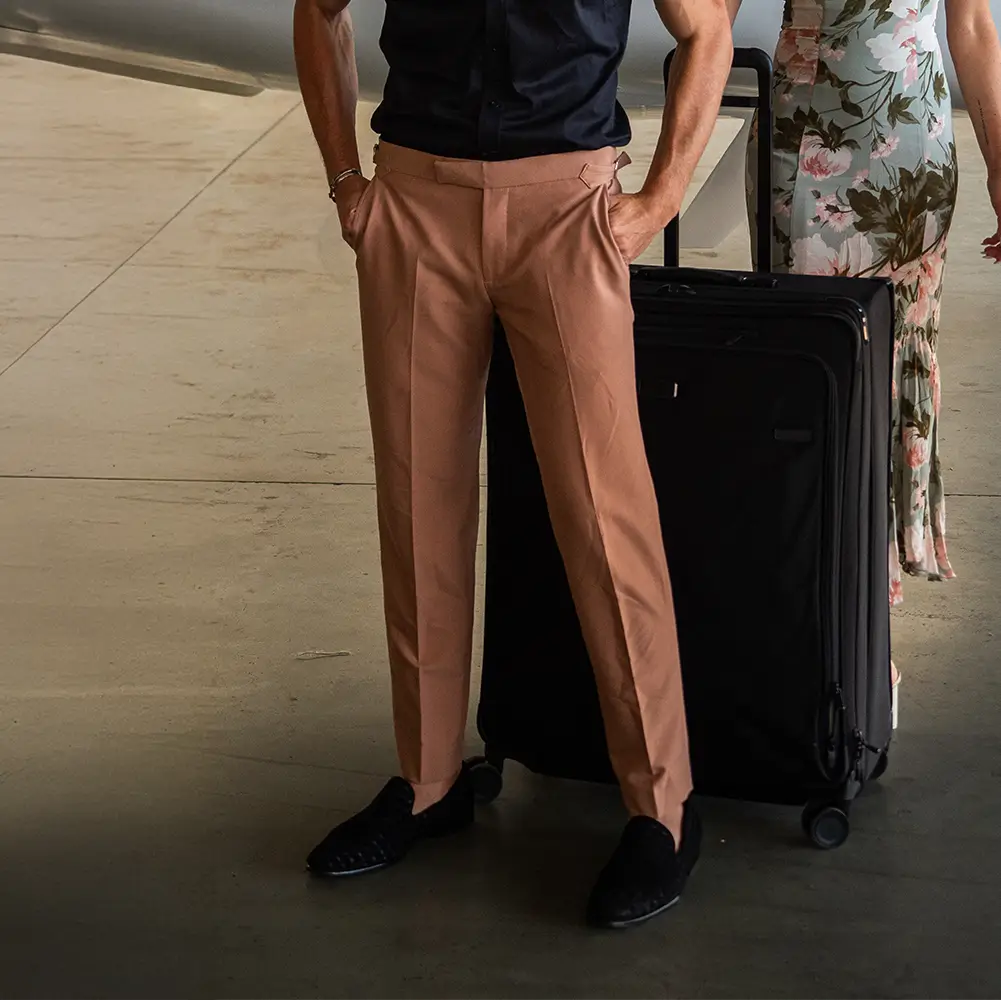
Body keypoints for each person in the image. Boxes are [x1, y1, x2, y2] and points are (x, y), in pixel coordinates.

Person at [292, 0, 733, 928]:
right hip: (415, 204)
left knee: (605, 516)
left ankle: (662, 807)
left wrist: (657, 199)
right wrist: (345, 181)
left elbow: (706, 30)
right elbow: (317, 9)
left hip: (565, 207)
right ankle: (428, 781)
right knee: (418, 506)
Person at [733, 0, 1001, 707]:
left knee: (886, 376)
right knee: (809, 382)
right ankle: (810, 615)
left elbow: (969, 24)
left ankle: (862, 633)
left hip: (909, 146)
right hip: (798, 134)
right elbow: (707, 17)